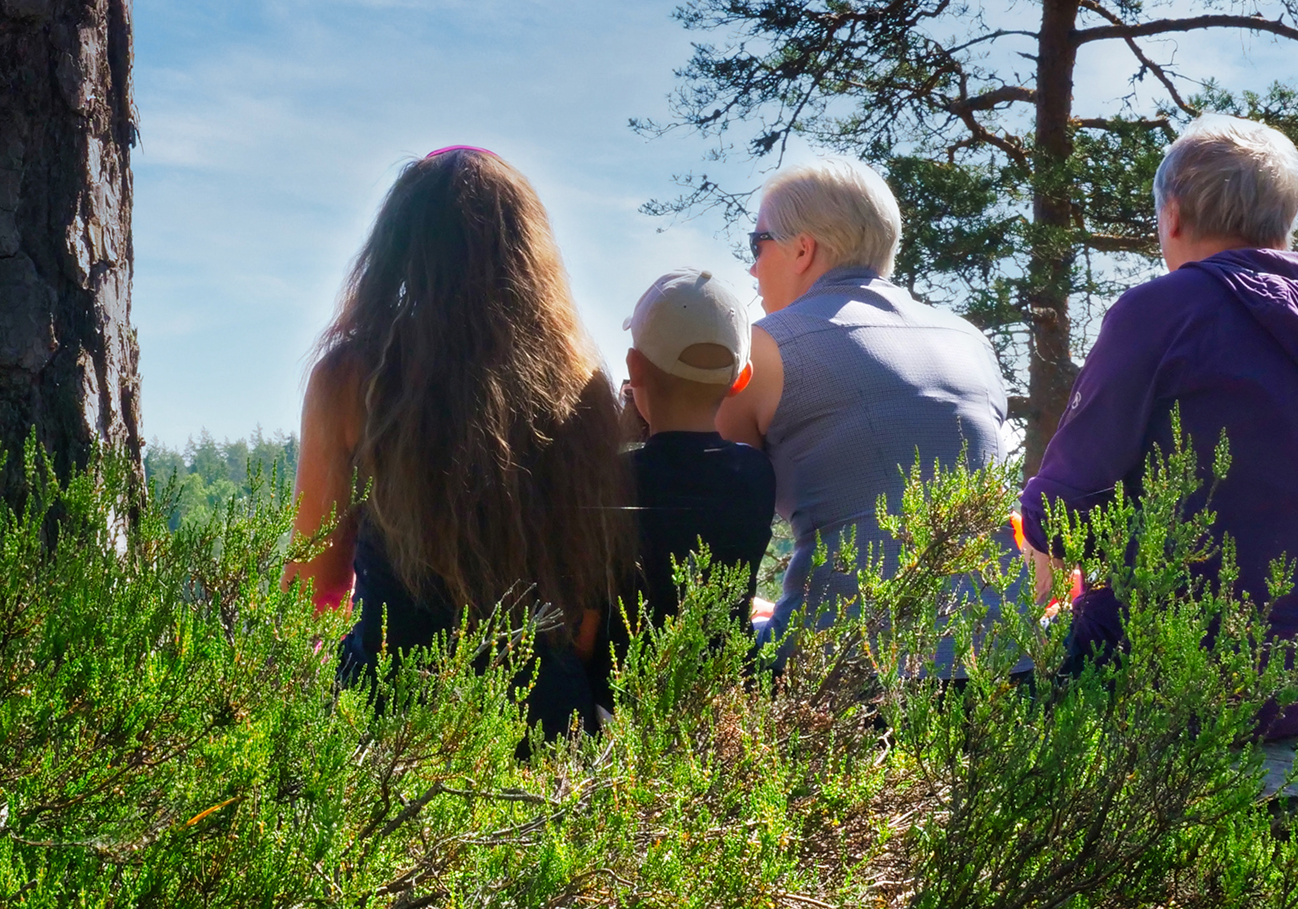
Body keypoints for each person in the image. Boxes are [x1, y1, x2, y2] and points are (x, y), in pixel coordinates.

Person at [1017, 115, 1298, 793]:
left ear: (1174, 214)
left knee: (990, 680)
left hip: (1187, 671)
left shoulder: (1163, 309)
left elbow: (1064, 504)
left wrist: (1032, 603)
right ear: (1284, 223)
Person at [284, 146, 630, 739]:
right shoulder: (581, 386)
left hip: (392, 724)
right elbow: (588, 609)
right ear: (527, 257)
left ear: (396, 251)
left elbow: (314, 586)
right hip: (546, 726)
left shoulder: (351, 379)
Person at [714, 156, 1011, 663]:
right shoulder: (971, 340)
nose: (751, 266)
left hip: (843, 675)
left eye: (756, 243)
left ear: (803, 248)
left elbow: (715, 521)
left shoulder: (763, 346)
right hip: (1000, 666)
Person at [619, 269, 778, 631]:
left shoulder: (615, 476)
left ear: (634, 368)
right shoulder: (756, 473)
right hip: (725, 680)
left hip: (618, 680)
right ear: (741, 379)